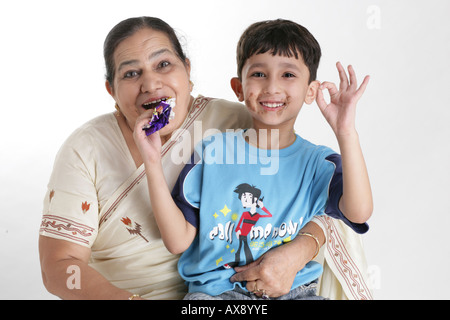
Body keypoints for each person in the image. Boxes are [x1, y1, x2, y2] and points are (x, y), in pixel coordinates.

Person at [38, 16, 331, 300]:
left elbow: (313, 195)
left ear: (187, 71)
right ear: (111, 90)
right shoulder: (86, 148)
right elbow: (59, 267)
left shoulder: (237, 122)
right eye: (131, 73)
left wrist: (299, 251)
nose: (151, 84)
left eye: (163, 64)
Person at [134, 19, 372, 300]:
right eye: (259, 74)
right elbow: (176, 241)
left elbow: (359, 213)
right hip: (215, 294)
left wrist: (346, 132)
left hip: (295, 292)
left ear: (311, 91)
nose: (272, 87)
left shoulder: (317, 163)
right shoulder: (210, 153)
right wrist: (151, 162)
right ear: (238, 87)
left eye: (288, 75)